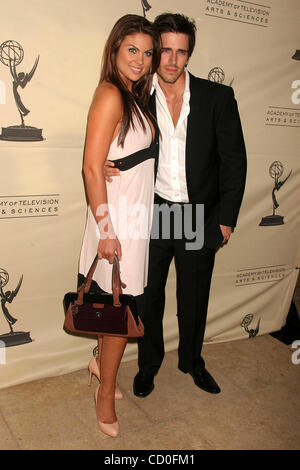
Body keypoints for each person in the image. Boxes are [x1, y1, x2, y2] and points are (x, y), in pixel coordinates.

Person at [104, 13, 247, 398]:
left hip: (199, 214)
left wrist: (226, 220)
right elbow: (124, 144)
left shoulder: (217, 97)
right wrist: (106, 161)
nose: (171, 60)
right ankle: (149, 366)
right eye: (164, 50)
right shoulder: (135, 97)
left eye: (180, 52)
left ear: (189, 55)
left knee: (195, 296)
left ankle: (192, 361)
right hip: (155, 213)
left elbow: (234, 161)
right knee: (149, 298)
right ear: (154, 53)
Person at [78, 14, 160, 437]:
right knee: (119, 312)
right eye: (132, 50)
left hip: (133, 218)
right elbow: (92, 168)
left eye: (147, 53)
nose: (141, 60)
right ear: (115, 50)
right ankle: (105, 393)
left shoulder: (133, 96)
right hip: (116, 222)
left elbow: (119, 157)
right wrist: (107, 230)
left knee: (116, 307)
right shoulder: (111, 93)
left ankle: (98, 366)